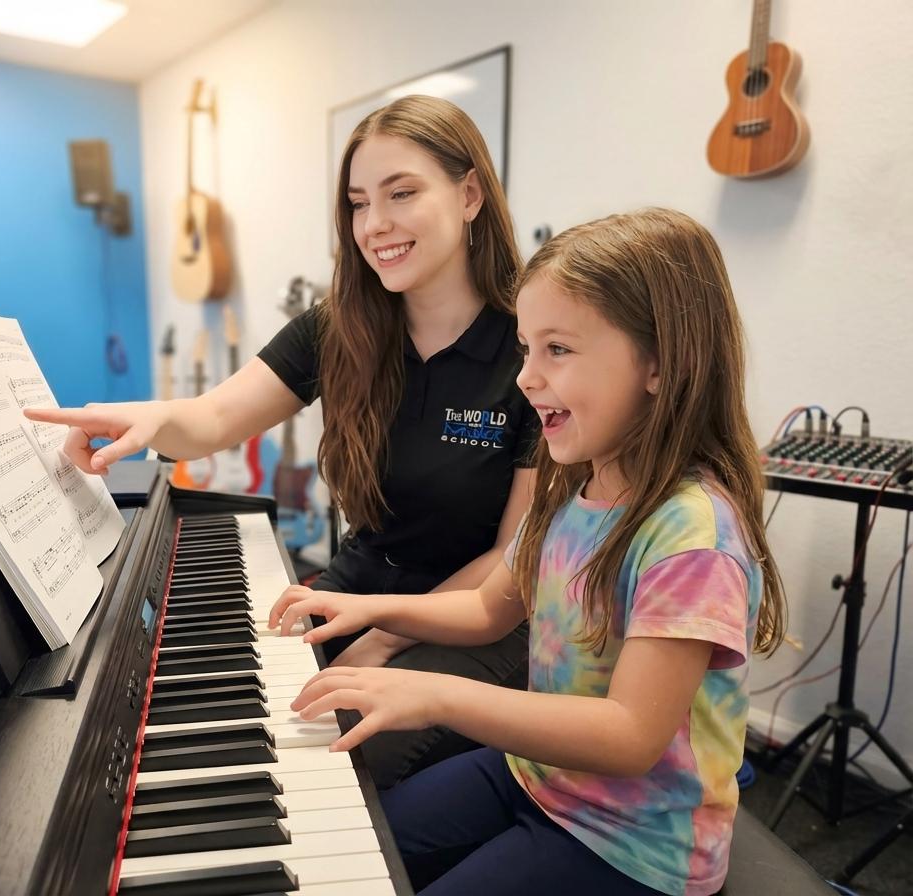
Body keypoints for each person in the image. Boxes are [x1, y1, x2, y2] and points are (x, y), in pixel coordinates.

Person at [25, 95, 540, 789]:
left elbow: (512, 562)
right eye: (358, 203)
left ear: (470, 193)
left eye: (402, 193)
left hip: (480, 615)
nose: (375, 224)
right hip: (367, 575)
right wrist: (140, 419)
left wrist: (381, 639)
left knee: (341, 752)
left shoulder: (531, 349)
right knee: (232, 684)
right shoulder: (340, 325)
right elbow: (212, 418)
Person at [269, 208, 787, 895]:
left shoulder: (691, 533)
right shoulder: (574, 483)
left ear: (661, 363)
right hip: (534, 774)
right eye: (524, 349)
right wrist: (362, 606)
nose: (525, 378)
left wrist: (436, 694)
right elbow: (488, 609)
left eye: (558, 350)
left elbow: (630, 733)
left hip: (635, 841)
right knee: (361, 840)